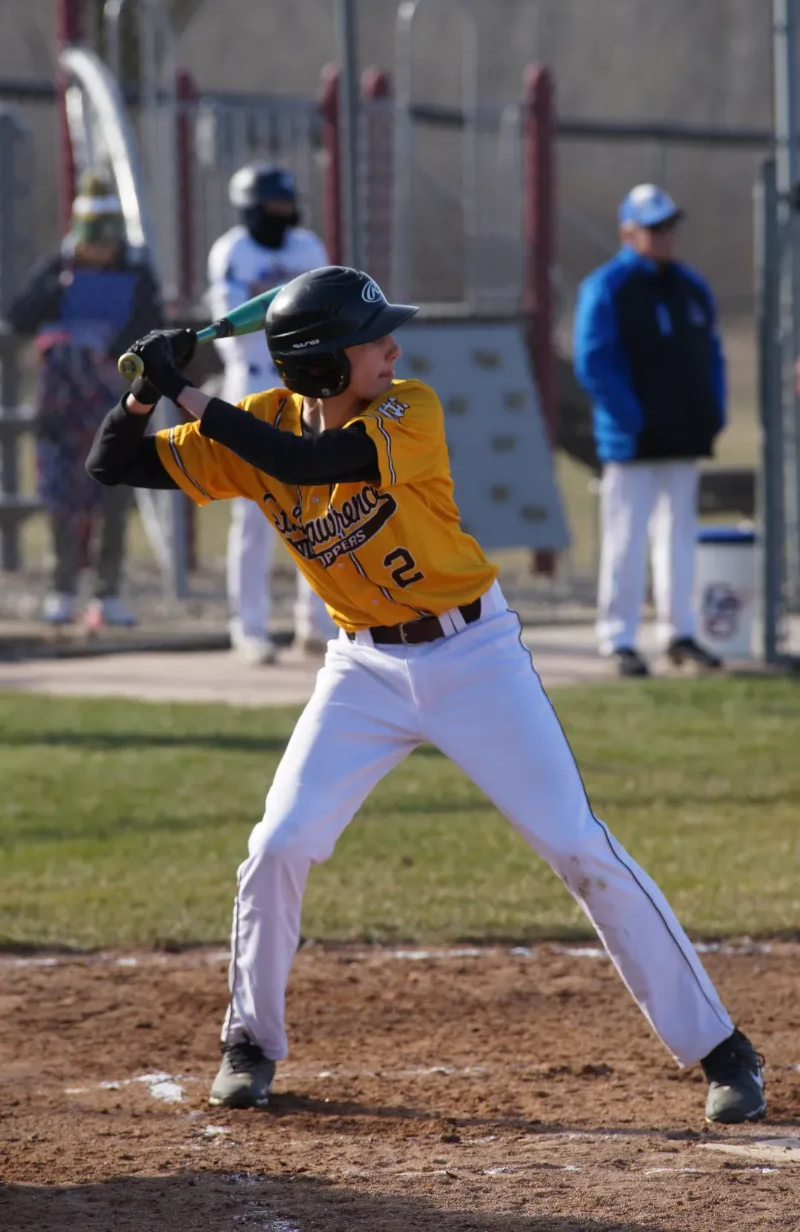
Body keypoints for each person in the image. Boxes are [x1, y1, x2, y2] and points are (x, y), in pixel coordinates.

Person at [87, 265, 765, 1126]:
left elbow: (307, 460)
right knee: (279, 843)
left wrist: (186, 387)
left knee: (578, 845)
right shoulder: (253, 422)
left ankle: (722, 1050)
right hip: (362, 669)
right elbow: (110, 462)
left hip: (474, 655)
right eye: (372, 341)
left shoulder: (409, 408)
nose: (392, 349)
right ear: (324, 366)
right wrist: (149, 393)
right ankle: (249, 1043)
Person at [573, 184, 727, 679]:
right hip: (633, 438)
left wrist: (712, 412)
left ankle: (679, 631)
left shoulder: (690, 286)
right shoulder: (609, 285)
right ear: (628, 232)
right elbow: (593, 360)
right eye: (653, 228)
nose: (664, 237)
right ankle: (618, 637)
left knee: (680, 534)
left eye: (668, 227)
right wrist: (632, 418)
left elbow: (712, 356)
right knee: (626, 536)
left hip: (683, 435)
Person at [8, 168, 161, 627]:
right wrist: (58, 290)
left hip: (115, 405)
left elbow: (150, 334)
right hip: (61, 409)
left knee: (114, 498)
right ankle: (62, 587)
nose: (97, 251)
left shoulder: (137, 275)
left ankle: (108, 591)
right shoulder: (58, 270)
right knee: (61, 499)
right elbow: (19, 318)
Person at [206, 161, 333, 663]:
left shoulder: (308, 248)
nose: (281, 215)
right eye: (271, 207)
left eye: (286, 205)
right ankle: (250, 626)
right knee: (257, 514)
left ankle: (317, 625)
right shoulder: (232, 250)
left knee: (322, 507)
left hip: (308, 389)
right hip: (254, 389)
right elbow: (236, 331)